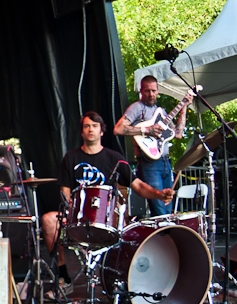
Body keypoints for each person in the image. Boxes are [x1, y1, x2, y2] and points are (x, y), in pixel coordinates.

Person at [42, 112, 175, 270]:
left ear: (101, 131)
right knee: (48, 221)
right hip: (77, 215)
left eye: (95, 126)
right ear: (81, 132)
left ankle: (119, 278)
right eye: (87, 126)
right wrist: (68, 209)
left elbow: (138, 185)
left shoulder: (115, 158)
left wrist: (159, 194)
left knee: (127, 229)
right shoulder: (71, 158)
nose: (91, 129)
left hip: (107, 217)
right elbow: (65, 190)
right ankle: (63, 276)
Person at [113, 75, 187, 216]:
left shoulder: (161, 111)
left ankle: (168, 237)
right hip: (149, 164)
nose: (151, 94)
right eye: (147, 91)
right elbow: (118, 129)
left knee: (168, 207)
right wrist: (146, 130)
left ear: (158, 91)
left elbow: (177, 133)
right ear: (141, 91)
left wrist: (184, 109)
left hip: (165, 162)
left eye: (154, 90)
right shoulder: (136, 108)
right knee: (160, 210)